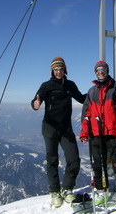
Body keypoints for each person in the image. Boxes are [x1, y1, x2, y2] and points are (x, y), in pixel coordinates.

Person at [31, 57, 86, 208]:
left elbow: (81, 98)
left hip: (66, 129)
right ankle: (55, 192)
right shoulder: (46, 86)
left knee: (74, 159)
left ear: (65, 70)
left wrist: (96, 94)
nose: (58, 72)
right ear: (52, 71)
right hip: (50, 128)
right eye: (55, 69)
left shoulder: (70, 85)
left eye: (61, 69)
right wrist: (35, 104)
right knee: (52, 160)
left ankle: (67, 189)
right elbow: (35, 101)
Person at [79, 60, 116, 205]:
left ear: (107, 70)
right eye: (97, 70)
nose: (100, 72)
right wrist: (85, 132)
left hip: (114, 133)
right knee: (98, 165)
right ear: (95, 73)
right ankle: (102, 191)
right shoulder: (92, 91)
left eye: (103, 69)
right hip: (96, 134)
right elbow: (86, 113)